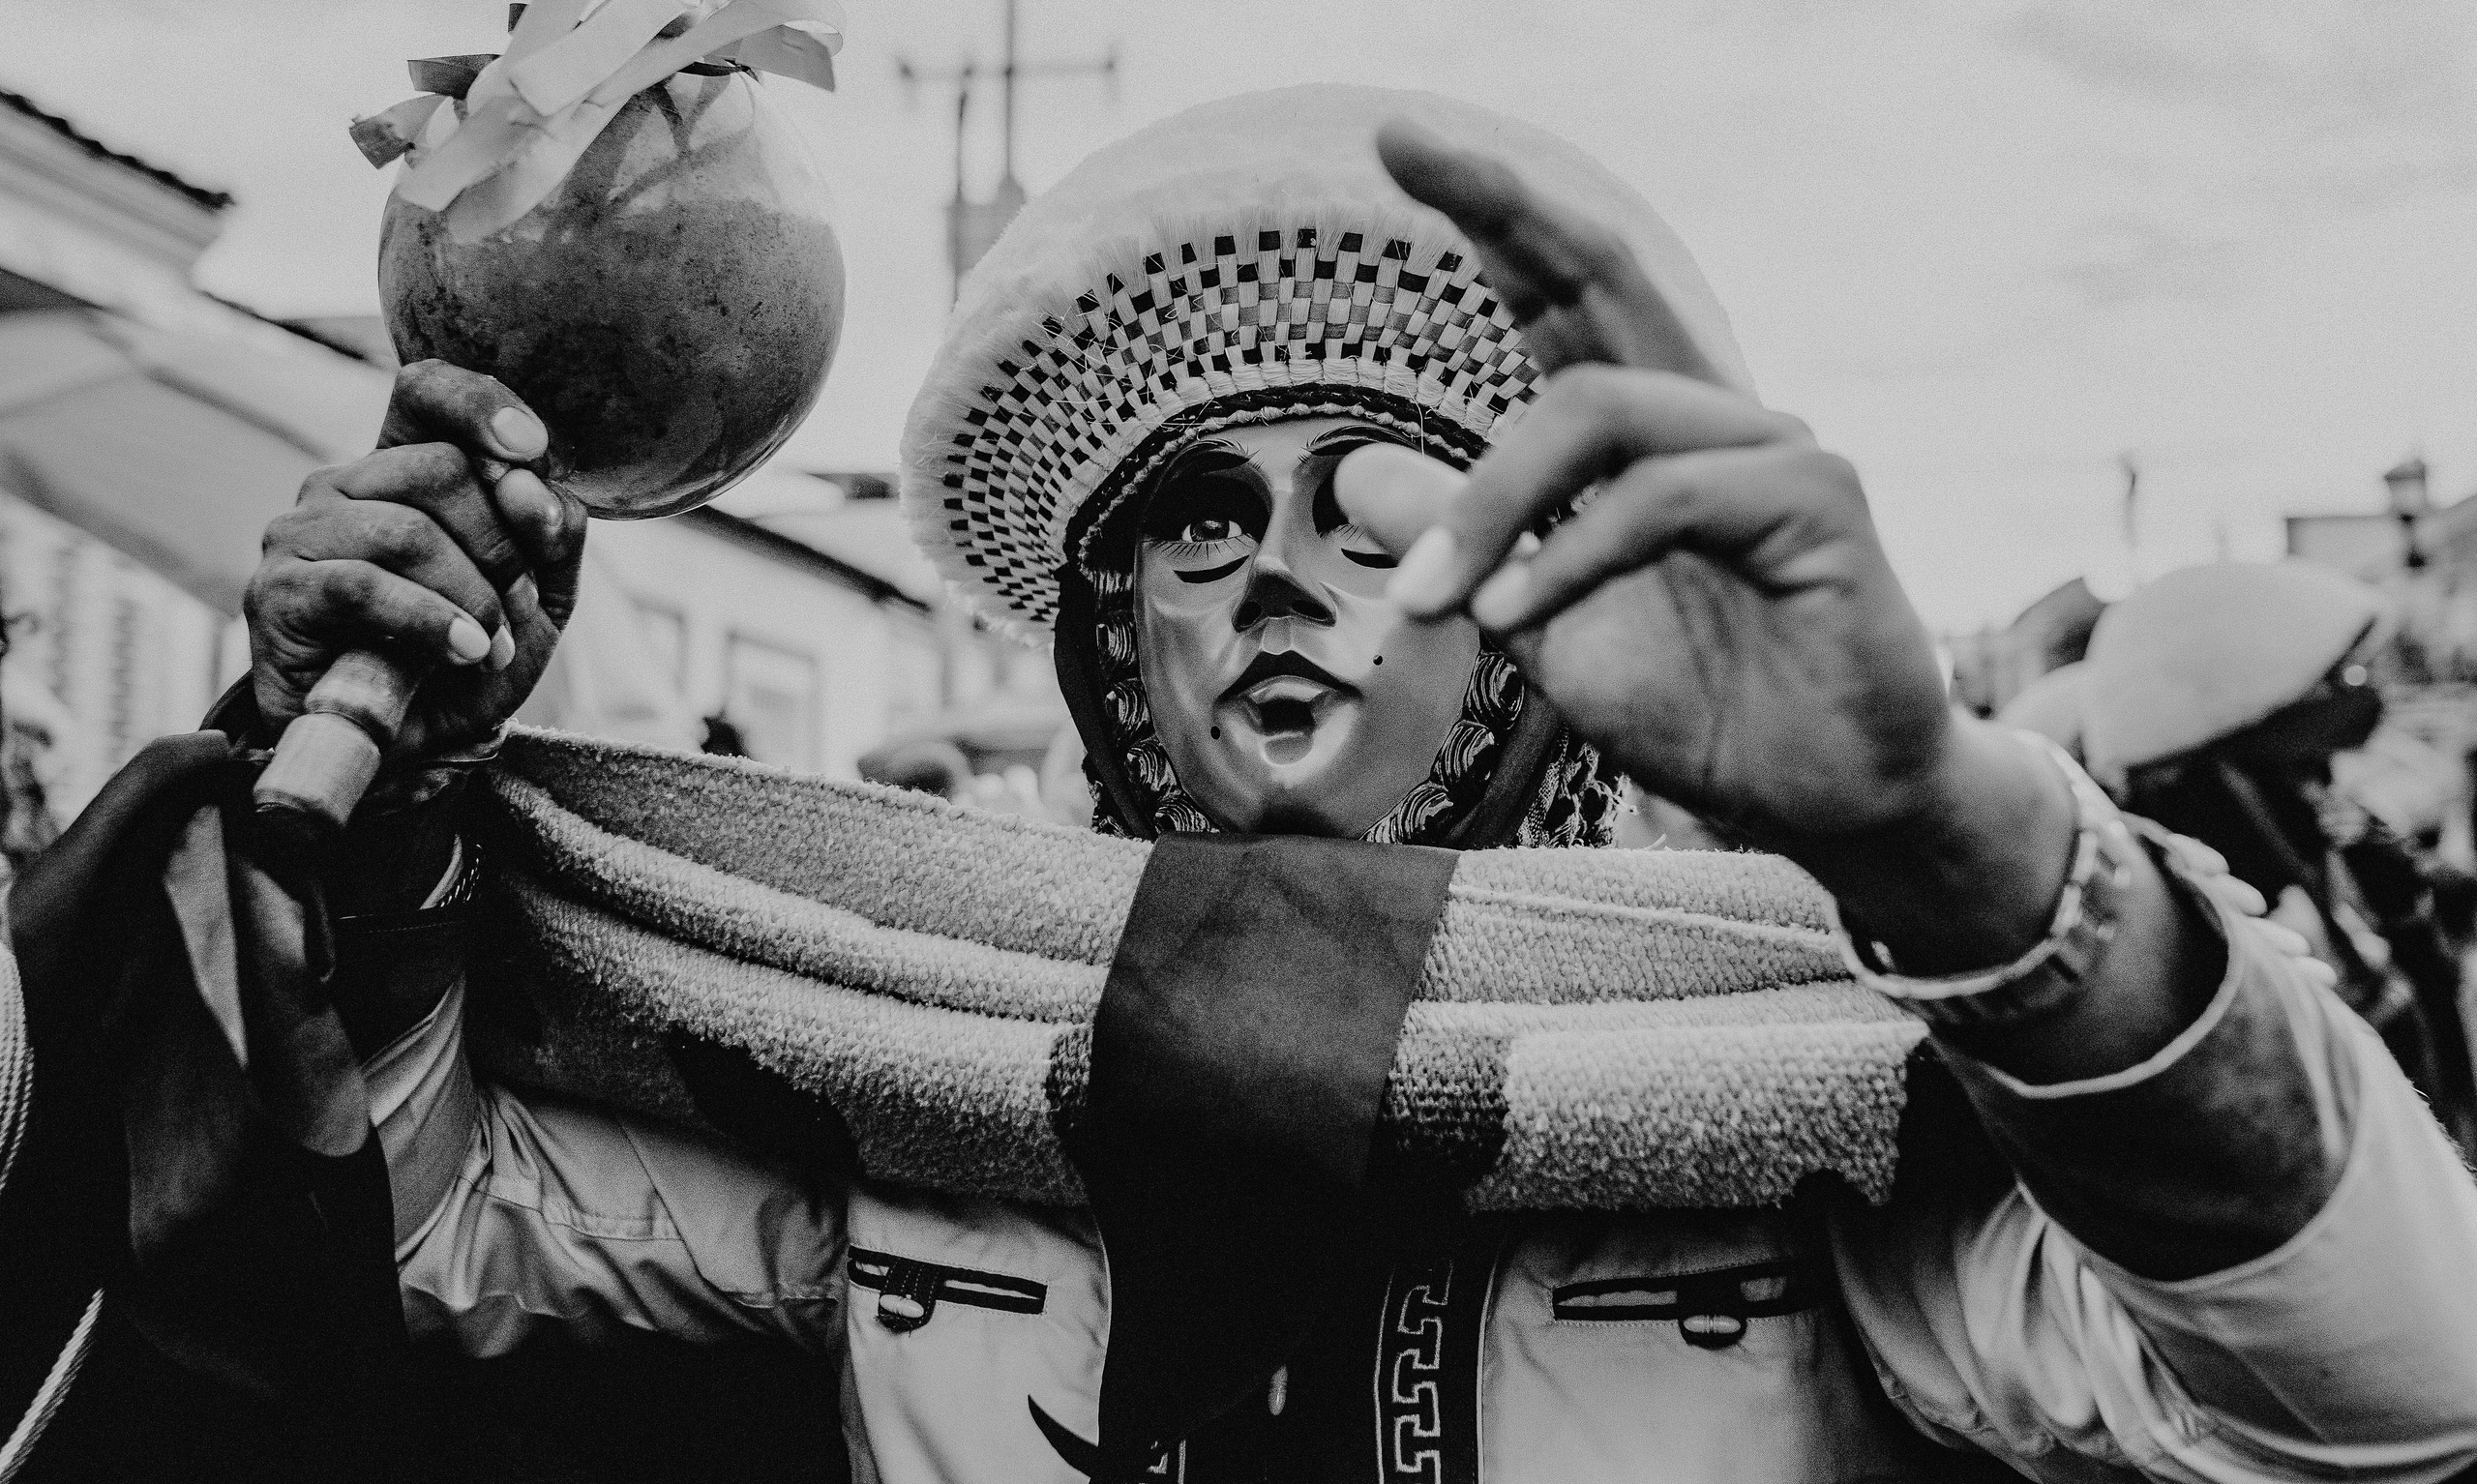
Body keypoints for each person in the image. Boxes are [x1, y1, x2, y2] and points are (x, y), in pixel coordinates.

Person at [239, 86, 2477, 1482]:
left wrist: (1943, 839)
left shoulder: (1783, 1091)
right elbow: (429, 1239)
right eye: (1198, 520)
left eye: (1386, 509)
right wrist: (406, 801)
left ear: (1534, 612)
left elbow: (2385, 1399)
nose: (1284, 575)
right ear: (1109, 641)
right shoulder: (920, 1064)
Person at [2081, 559, 2477, 1153]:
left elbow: (2419, 979)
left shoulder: (2318, 820)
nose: (2319, 791)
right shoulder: (2197, 875)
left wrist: (2407, 908)